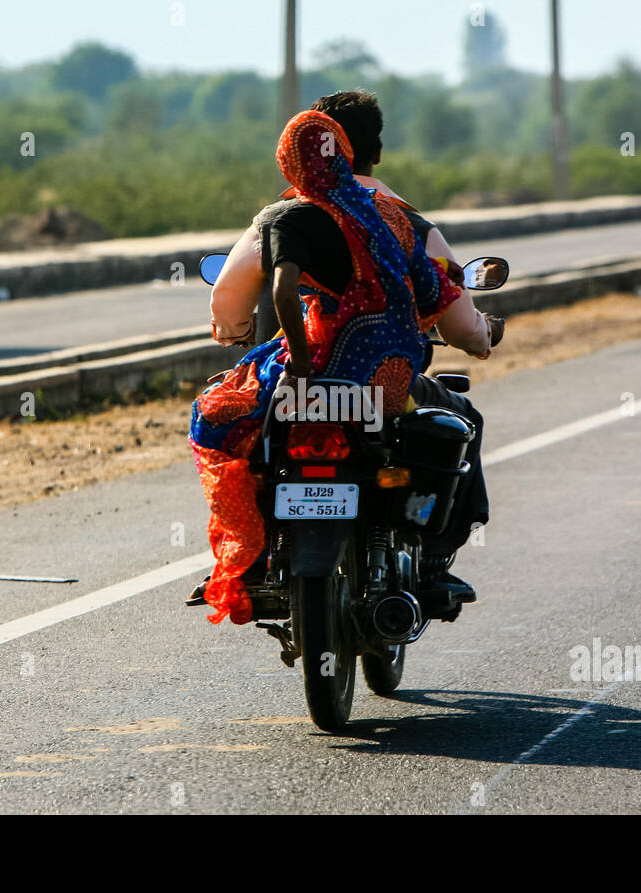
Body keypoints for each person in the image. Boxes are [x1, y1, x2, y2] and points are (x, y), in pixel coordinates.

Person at [207, 91, 502, 609]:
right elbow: (452, 310)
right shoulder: (401, 221)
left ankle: (248, 557)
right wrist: (483, 335)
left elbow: (231, 298)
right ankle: (431, 564)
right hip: (384, 381)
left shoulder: (279, 219)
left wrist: (249, 339)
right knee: (457, 425)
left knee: (231, 426)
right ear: (374, 152)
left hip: (301, 379)